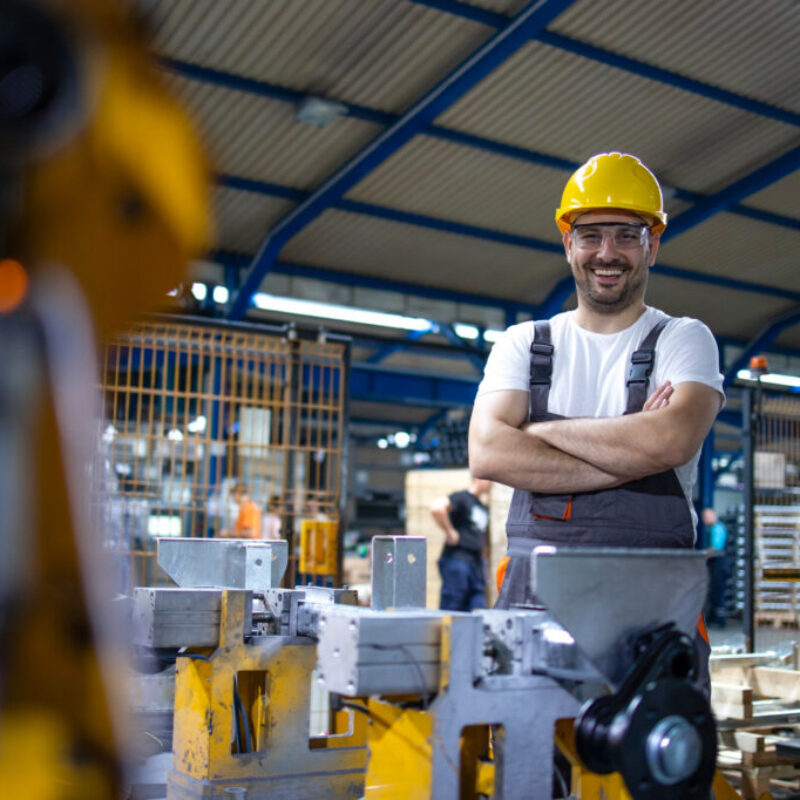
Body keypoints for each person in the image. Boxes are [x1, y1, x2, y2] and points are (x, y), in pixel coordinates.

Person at [469, 152, 724, 685]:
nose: (607, 253)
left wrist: (539, 434)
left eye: (627, 235)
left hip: (652, 617)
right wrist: (634, 452)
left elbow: (671, 441)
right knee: (529, 763)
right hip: (533, 608)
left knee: (654, 761)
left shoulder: (683, 339)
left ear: (652, 245)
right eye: (590, 235)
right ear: (569, 245)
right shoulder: (525, 342)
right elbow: (489, 452)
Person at [430, 478, 492, 611]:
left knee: (478, 608)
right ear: (479, 479)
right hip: (458, 559)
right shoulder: (462, 498)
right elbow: (437, 508)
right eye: (490, 480)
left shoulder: (482, 507)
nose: (492, 485)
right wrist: (450, 531)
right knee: (453, 605)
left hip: (475, 564)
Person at [703, 508, 730, 628]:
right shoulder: (712, 529)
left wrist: (703, 556)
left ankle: (720, 620)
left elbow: (715, 548)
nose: (705, 520)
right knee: (713, 592)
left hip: (719, 565)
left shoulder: (717, 529)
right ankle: (712, 618)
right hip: (715, 565)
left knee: (718, 592)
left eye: (706, 517)